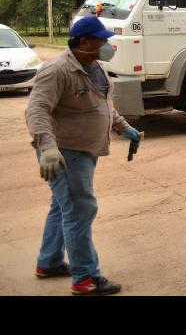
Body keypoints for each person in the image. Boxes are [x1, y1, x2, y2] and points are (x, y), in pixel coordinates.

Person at [25, 15, 140, 295]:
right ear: (85, 42)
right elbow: (36, 111)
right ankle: (86, 278)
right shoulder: (58, 71)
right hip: (65, 154)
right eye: (102, 40)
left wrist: (125, 128)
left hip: (84, 152)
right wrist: (48, 148)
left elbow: (101, 105)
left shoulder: (95, 68)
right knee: (79, 210)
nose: (107, 44)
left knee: (62, 207)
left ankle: (49, 262)